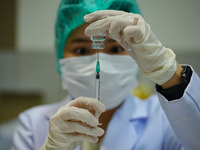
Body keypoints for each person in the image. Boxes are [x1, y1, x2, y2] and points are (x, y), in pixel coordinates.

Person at [12, 0, 200, 150]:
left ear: (136, 52)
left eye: (116, 48)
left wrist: (169, 72)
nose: (97, 63)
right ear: (60, 54)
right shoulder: (32, 124)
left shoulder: (166, 119)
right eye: (82, 51)